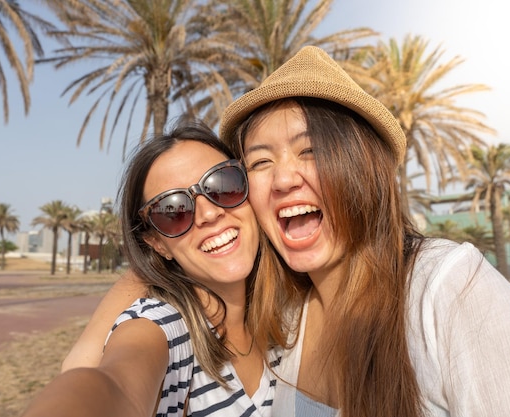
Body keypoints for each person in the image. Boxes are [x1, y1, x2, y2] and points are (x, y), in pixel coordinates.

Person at [61, 46, 510, 417]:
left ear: (365, 168)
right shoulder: (286, 314)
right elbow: (114, 383)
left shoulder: (445, 288)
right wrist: (86, 354)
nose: (283, 180)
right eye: (260, 162)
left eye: (310, 151)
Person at [20, 119, 303, 417]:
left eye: (223, 185)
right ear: (157, 242)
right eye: (173, 211)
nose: (208, 213)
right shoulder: (164, 328)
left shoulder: (289, 313)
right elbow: (115, 384)